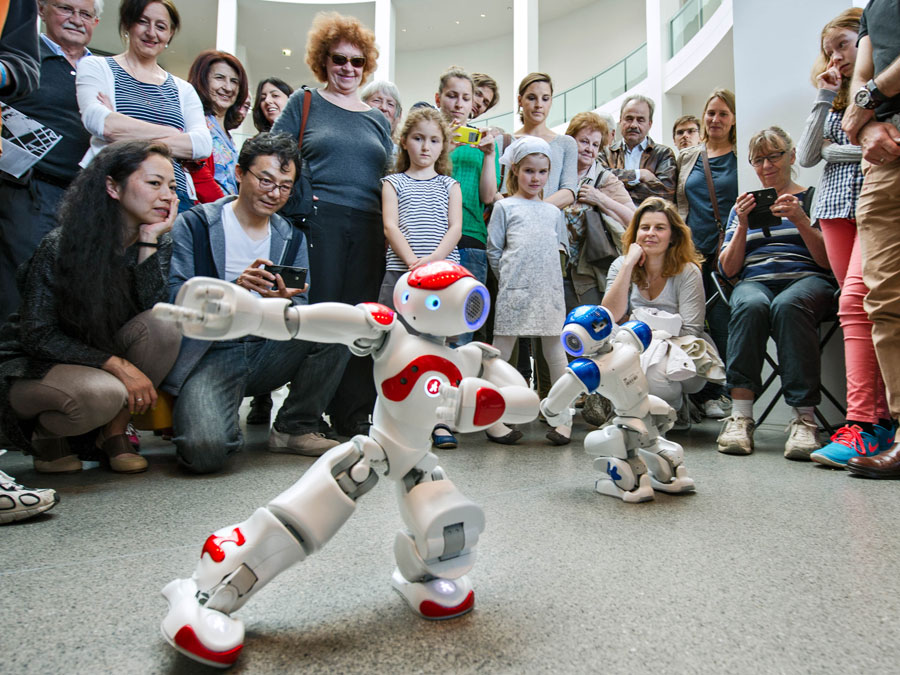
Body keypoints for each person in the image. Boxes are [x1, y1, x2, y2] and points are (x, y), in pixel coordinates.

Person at [164, 133, 346, 473]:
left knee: (337, 328)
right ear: (238, 173)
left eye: (284, 186)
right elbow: (173, 295)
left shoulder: (291, 236)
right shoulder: (197, 224)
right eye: (265, 180)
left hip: (267, 345)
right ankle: (221, 419)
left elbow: (300, 303)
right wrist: (233, 289)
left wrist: (281, 304)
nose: (274, 193)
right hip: (212, 350)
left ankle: (294, 426)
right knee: (205, 452)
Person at [0, 140, 182, 475]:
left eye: (172, 187)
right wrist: (115, 365)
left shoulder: (158, 240)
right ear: (113, 186)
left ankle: (114, 434)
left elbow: (150, 314)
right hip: (35, 367)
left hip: (99, 362)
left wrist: (149, 242)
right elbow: (37, 336)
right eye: (154, 183)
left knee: (166, 323)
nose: (168, 196)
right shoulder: (62, 244)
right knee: (103, 393)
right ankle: (47, 436)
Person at [272, 12, 394, 439]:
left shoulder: (378, 119)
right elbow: (275, 156)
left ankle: (354, 414)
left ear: (367, 66)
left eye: (357, 62)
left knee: (363, 321)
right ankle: (302, 415)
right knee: (321, 319)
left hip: (369, 228)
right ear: (323, 60)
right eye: (339, 59)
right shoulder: (304, 102)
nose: (347, 68)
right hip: (317, 223)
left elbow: (391, 177)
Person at [796, 8, 894, 467]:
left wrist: (847, 145)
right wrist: (824, 96)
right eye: (828, 49)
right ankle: (872, 422)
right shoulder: (838, 99)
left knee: (859, 300)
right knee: (856, 309)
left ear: (866, 41)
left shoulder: (882, 95)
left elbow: (871, 147)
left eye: (843, 44)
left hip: (872, 196)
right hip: (835, 210)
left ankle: (866, 422)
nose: (835, 55)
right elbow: (810, 154)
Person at [716, 127, 835, 460]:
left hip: (807, 280)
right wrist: (741, 224)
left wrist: (800, 219)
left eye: (774, 156)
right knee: (750, 304)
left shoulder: (813, 198)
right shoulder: (745, 206)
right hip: (755, 281)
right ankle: (740, 416)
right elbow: (728, 270)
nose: (767, 165)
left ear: (792, 156)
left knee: (789, 305)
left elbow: (828, 261)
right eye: (758, 160)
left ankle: (804, 420)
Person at [0, 0, 101, 321]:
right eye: (65, 9)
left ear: (96, 23)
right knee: (22, 292)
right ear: (41, 10)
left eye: (85, 14)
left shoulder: (104, 70)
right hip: (29, 193)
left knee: (68, 297)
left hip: (84, 201)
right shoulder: (20, 60)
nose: (76, 20)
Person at [75, 0, 211, 213]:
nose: (151, 33)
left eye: (161, 26)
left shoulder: (183, 89)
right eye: (142, 22)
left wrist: (121, 130)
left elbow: (202, 144)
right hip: (113, 192)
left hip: (172, 198)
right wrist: (173, 133)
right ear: (128, 24)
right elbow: (99, 122)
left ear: (170, 34)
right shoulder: (96, 66)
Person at [840, 0, 900, 478]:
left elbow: (864, 88)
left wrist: (866, 100)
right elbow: (863, 71)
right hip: (882, 153)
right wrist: (870, 122)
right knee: (885, 300)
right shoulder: (875, 8)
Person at [378, 106, 462, 449]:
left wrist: (431, 263)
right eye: (418, 139)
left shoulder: (449, 184)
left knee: (438, 351)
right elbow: (390, 226)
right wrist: (413, 263)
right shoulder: (392, 182)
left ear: (443, 146)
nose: (425, 147)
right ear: (404, 142)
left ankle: (439, 421)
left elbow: (455, 228)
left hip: (442, 282)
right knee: (394, 350)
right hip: (401, 276)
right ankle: (394, 419)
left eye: (433, 140)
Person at [602, 198, 721, 423]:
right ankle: (635, 414)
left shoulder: (688, 271)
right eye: (644, 228)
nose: (651, 234)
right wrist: (628, 265)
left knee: (653, 374)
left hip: (682, 352)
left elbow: (690, 330)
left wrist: (636, 322)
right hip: (634, 346)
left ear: (673, 235)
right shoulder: (620, 265)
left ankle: (668, 411)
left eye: (660, 228)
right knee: (604, 348)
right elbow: (609, 317)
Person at [486, 137, 570, 445]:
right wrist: (509, 279)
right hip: (513, 292)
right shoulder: (504, 207)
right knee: (499, 354)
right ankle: (493, 420)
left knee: (555, 355)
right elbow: (494, 250)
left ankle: (563, 421)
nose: (535, 178)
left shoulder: (553, 212)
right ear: (516, 172)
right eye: (529, 171)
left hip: (548, 292)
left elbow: (560, 248)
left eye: (542, 172)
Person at [675, 88, 738, 419]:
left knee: (725, 321)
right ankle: (703, 393)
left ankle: (730, 393)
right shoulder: (688, 157)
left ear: (734, 119)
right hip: (692, 254)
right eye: (711, 113)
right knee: (694, 323)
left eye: (723, 114)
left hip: (729, 252)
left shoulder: (741, 156)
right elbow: (677, 202)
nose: (715, 119)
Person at [433, 66, 499, 345]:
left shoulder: (483, 141)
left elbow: (488, 196)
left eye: (465, 97)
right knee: (428, 324)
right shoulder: (426, 137)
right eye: (452, 96)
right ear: (438, 99)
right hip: (431, 233)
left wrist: (489, 155)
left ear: (473, 102)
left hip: (471, 237)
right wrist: (442, 146)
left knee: (462, 329)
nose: (459, 104)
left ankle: (458, 386)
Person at [562, 111, 634, 308]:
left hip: (588, 275)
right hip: (551, 273)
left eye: (595, 145)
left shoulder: (605, 180)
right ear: (570, 141)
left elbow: (634, 219)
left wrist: (600, 199)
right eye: (584, 141)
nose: (589, 149)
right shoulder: (553, 172)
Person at [186, 50, 249, 202]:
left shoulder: (226, 133)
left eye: (234, 81)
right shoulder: (196, 122)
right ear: (202, 80)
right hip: (204, 215)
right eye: (219, 78)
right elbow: (198, 177)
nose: (228, 87)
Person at [605, 94, 677, 206]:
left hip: (649, 221)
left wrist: (618, 188)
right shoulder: (606, 153)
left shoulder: (663, 154)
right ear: (620, 121)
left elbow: (665, 194)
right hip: (612, 222)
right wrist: (638, 175)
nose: (633, 125)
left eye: (640, 120)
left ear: (649, 124)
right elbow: (600, 181)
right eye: (629, 119)